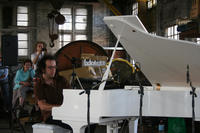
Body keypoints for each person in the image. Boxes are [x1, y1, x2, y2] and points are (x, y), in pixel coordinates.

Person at [34, 54, 72, 132]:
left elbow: (71, 95)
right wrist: (61, 107)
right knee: (75, 124)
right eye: (50, 67)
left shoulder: (62, 80)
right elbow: (43, 106)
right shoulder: (39, 85)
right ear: (43, 69)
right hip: (51, 116)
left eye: (54, 67)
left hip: (67, 113)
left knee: (89, 122)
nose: (53, 70)